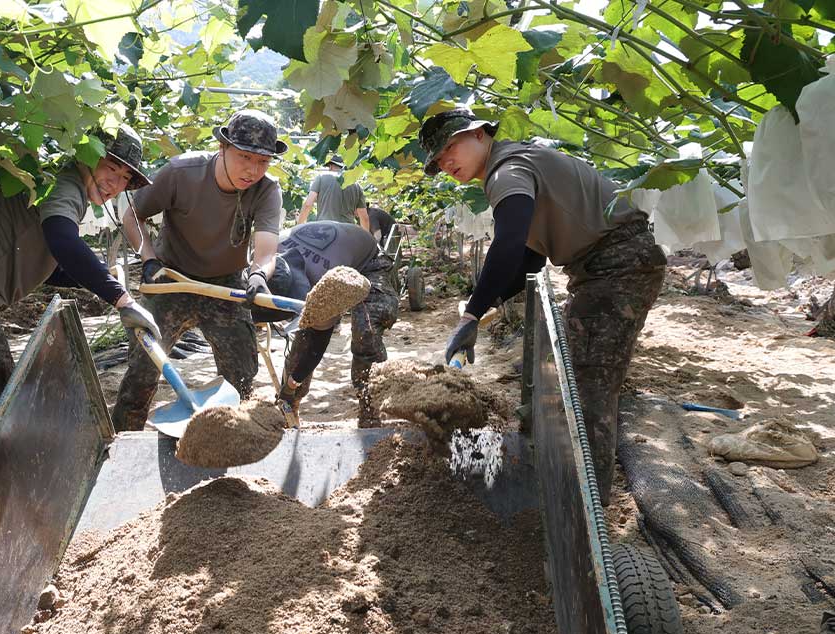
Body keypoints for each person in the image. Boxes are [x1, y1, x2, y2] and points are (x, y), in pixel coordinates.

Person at [420, 108, 666, 505]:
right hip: (608, 266)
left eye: (450, 147)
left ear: (481, 134)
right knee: (570, 372)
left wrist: (471, 312)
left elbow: (509, 241)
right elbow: (531, 259)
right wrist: (482, 312)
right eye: (437, 160)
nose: (446, 162)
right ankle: (567, 480)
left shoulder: (507, 170)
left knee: (588, 387)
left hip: (617, 266)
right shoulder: (519, 161)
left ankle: (586, 508)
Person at [0, 126, 160, 452]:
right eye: (111, 167)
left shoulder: (60, 184)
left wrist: (100, 280)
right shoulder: (66, 182)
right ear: (86, 157)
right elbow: (63, 241)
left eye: (126, 178)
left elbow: (51, 265)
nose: (115, 182)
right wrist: (120, 298)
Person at [111, 109, 286, 432]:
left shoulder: (267, 190)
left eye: (263, 162)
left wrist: (259, 276)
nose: (252, 169)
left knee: (242, 373)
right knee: (142, 369)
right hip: (171, 280)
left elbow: (265, 251)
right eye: (244, 157)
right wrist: (149, 259)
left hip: (225, 285)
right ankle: (123, 438)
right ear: (223, 148)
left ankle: (231, 437)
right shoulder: (181, 172)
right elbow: (133, 216)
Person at [262, 221, 399, 428]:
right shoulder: (267, 254)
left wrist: (292, 383)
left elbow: (316, 346)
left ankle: (371, 408)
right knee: (301, 339)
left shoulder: (326, 287)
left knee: (366, 334)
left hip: (370, 265)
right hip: (341, 251)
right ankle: (288, 407)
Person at [296, 155, 370, 231]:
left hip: (325, 230)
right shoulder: (356, 185)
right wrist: (366, 238)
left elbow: (308, 205)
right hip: (348, 231)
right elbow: (364, 217)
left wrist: (298, 227)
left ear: (330, 166)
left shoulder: (321, 177)